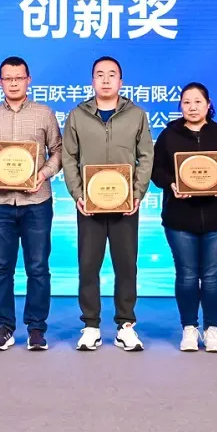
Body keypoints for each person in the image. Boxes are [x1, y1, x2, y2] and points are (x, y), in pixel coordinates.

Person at [62, 56, 154, 352]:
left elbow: (146, 156)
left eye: (111, 74)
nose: (105, 79)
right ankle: (91, 325)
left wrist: (136, 194)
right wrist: (78, 194)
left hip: (125, 205)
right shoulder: (77, 115)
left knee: (126, 265)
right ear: (92, 81)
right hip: (89, 205)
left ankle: (125, 326)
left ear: (120, 81)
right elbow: (68, 158)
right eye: (99, 74)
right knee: (88, 265)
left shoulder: (136, 115)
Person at [151, 82, 217, 353]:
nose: (192, 107)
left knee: (213, 275)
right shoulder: (168, 136)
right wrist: (172, 184)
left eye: (197, 102)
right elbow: (156, 171)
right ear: (180, 106)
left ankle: (212, 328)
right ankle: (189, 328)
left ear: (208, 104)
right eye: (186, 102)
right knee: (186, 275)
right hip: (179, 218)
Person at [0, 56, 63, 351]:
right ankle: (3, 327)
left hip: (37, 201)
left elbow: (58, 151)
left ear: (28, 80)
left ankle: (36, 329)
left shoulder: (44, 113)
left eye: (19, 78)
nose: (13, 83)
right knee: (1, 268)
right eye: (8, 79)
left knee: (38, 268)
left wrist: (43, 174)